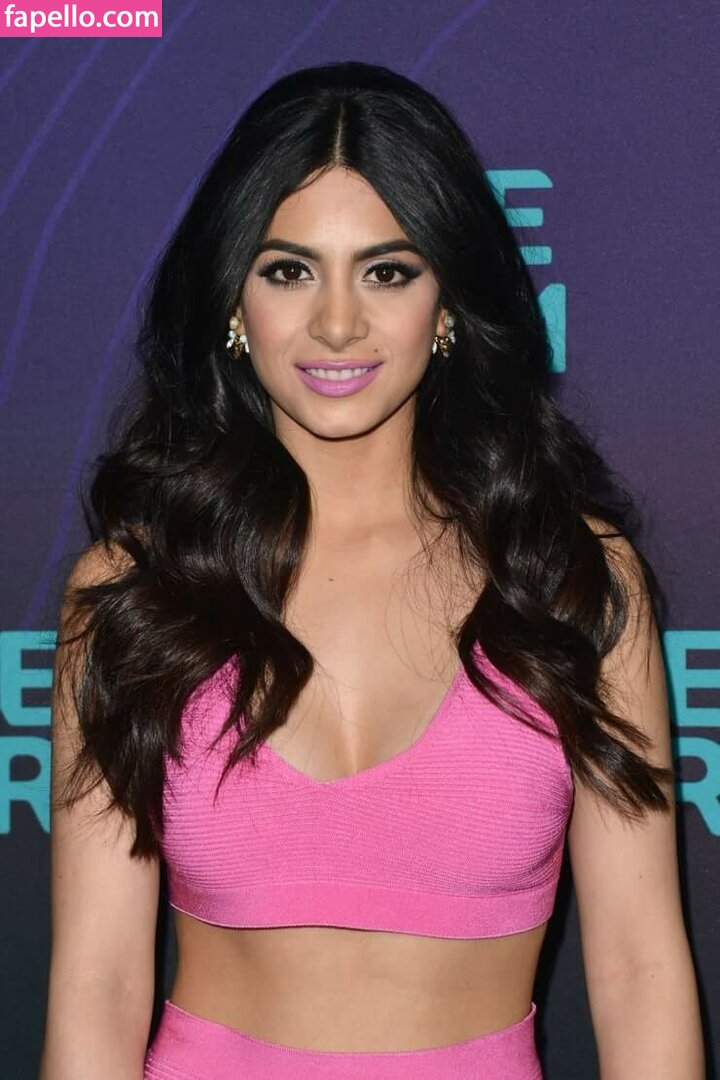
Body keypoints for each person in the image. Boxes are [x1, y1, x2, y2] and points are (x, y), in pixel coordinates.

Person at [40, 61, 704, 1079]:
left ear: (448, 303)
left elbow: (639, 969)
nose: (338, 323)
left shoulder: (568, 576)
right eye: (289, 271)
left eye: (387, 272)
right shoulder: (136, 588)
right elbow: (98, 984)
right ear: (233, 300)